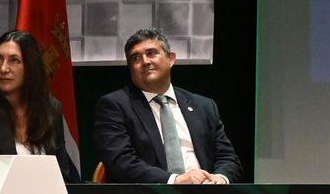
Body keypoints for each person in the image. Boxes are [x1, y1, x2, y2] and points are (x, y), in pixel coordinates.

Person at [92, 28, 243, 184]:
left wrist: (219, 179)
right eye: (135, 58)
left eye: (151, 53)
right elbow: (120, 162)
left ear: (171, 59)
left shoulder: (204, 106)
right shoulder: (115, 105)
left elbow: (228, 158)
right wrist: (174, 180)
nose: (145, 61)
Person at [0, 30, 80, 183]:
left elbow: (62, 177)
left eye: (14, 60)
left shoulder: (51, 109)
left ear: (31, 67)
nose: (3, 69)